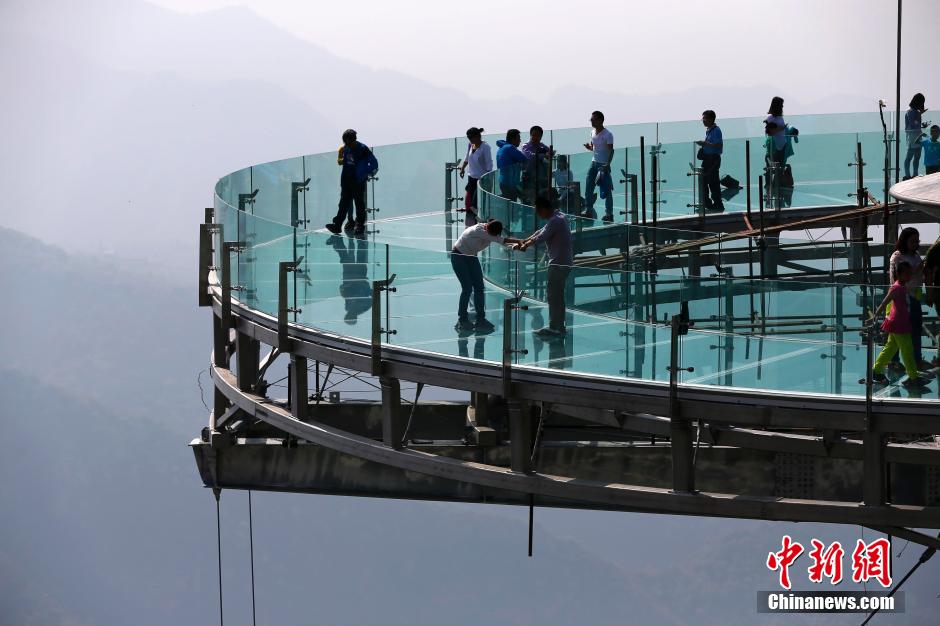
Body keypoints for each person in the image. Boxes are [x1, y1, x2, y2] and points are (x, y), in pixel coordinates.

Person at [515, 196, 573, 338]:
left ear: (544, 209)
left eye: (538, 211)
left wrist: (525, 245)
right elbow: (540, 231)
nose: (538, 214)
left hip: (558, 263)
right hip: (563, 262)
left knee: (553, 296)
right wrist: (525, 241)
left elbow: (542, 237)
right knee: (558, 296)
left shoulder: (555, 221)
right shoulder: (559, 216)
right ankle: (559, 326)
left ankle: (555, 328)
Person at [451, 219, 521, 333]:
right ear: (487, 226)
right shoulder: (479, 229)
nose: (490, 234)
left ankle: (481, 319)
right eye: (489, 231)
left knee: (479, 287)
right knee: (467, 288)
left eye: (493, 234)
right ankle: (462, 319)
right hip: (458, 256)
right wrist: (522, 241)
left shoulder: (491, 234)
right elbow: (503, 240)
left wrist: (516, 246)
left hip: (471, 257)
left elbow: (502, 242)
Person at [871, 261, 926, 388]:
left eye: (909, 273)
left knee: (891, 348)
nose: (909, 276)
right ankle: (913, 377)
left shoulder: (902, 286)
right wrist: (875, 315)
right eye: (906, 273)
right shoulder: (897, 288)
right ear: (899, 274)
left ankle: (876, 370)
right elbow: (885, 301)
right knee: (907, 350)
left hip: (898, 323)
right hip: (898, 324)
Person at [889, 227, 930, 371]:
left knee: (915, 331)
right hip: (902, 298)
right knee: (900, 333)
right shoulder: (897, 256)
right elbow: (898, 278)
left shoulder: (916, 255)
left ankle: (915, 360)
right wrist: (915, 270)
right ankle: (896, 362)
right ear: (904, 241)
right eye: (912, 241)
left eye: (917, 241)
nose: (915, 244)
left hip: (915, 297)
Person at [326, 129, 379, 236]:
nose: (346, 144)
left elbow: (374, 163)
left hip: (358, 181)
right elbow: (345, 164)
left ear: (354, 140)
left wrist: (365, 172)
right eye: (345, 142)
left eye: (348, 142)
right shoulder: (346, 148)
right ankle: (337, 225)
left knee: (359, 203)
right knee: (343, 204)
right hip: (346, 181)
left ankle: (359, 225)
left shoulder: (363, 149)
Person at [582, 110, 615, 221]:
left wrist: (607, 164)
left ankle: (609, 214)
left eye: (593, 119)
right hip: (594, 163)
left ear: (600, 120)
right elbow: (595, 148)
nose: (591, 121)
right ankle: (588, 210)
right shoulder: (592, 132)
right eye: (591, 119)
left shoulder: (608, 134)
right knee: (588, 187)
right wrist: (589, 148)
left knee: (606, 190)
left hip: (603, 165)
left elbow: (611, 151)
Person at [458, 127, 494, 226]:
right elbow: (467, 157)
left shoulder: (485, 147)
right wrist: (462, 168)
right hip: (471, 177)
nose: (470, 140)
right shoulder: (471, 145)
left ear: (478, 136)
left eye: (472, 137)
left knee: (475, 203)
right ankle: (472, 223)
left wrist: (487, 177)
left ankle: (479, 222)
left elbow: (489, 163)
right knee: (470, 202)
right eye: (469, 138)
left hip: (481, 178)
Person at [696, 109, 724, 211]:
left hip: (713, 159)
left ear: (711, 119)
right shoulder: (709, 130)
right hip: (708, 159)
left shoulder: (716, 130)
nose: (703, 120)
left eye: (705, 118)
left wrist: (705, 143)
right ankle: (707, 204)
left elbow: (719, 145)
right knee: (704, 181)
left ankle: (717, 204)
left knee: (713, 182)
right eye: (703, 118)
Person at [495, 129, 528, 201]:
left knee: (508, 205)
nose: (520, 141)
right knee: (512, 205)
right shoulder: (510, 148)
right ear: (513, 139)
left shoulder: (501, 148)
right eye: (518, 138)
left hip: (502, 182)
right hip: (510, 183)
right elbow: (525, 159)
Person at [521, 125, 552, 202]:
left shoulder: (542, 145)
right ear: (530, 135)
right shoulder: (526, 146)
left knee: (542, 199)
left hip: (541, 178)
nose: (536, 137)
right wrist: (542, 155)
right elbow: (530, 156)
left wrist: (549, 154)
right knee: (529, 200)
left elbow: (549, 152)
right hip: (529, 177)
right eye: (534, 135)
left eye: (538, 135)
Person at [903, 93, 928, 180]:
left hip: (917, 135)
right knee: (909, 157)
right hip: (912, 137)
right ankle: (907, 175)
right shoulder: (910, 111)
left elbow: (916, 124)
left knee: (917, 157)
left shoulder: (915, 112)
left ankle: (915, 174)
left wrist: (922, 124)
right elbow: (913, 124)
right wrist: (919, 114)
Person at [764, 96, 787, 165]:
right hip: (774, 146)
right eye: (781, 105)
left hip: (782, 145)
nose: (782, 106)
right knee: (776, 166)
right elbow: (769, 132)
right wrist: (781, 128)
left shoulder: (780, 117)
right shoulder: (770, 118)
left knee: (781, 166)